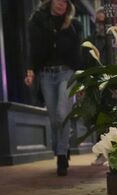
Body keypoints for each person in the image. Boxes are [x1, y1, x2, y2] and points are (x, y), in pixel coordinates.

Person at [25, 0, 82, 176]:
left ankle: (61, 156)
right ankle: (62, 148)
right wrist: (30, 70)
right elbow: (32, 48)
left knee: (62, 114)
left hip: (67, 73)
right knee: (53, 118)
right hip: (46, 74)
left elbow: (78, 52)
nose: (61, 4)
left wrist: (80, 77)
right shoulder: (37, 21)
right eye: (58, 0)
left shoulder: (73, 24)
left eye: (65, 2)